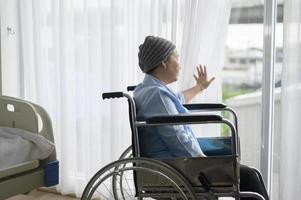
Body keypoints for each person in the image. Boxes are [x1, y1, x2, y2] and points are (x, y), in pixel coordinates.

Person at [133, 35, 269, 200]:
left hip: (170, 160)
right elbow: (176, 136)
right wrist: (202, 160)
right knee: (250, 176)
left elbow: (178, 100)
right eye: (177, 58)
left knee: (250, 173)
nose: (180, 64)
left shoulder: (148, 89)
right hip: (175, 166)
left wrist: (199, 88)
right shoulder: (157, 94)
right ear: (164, 62)